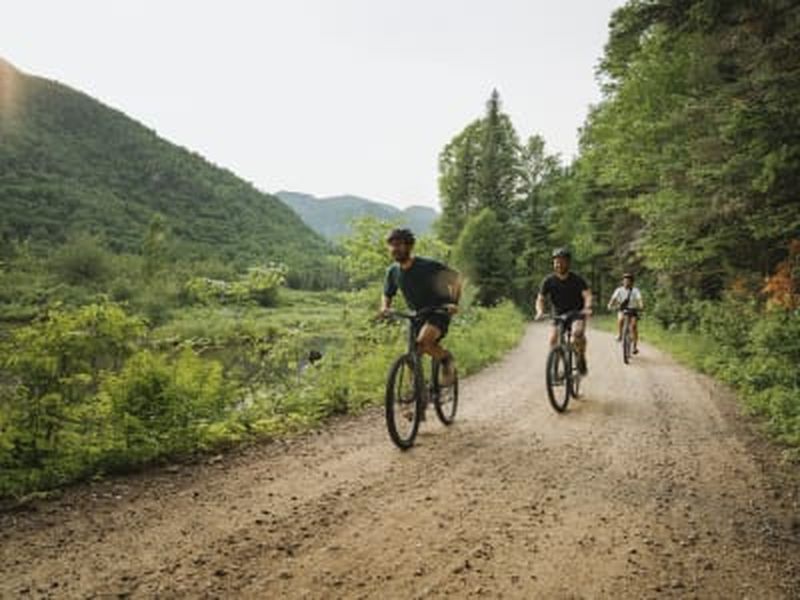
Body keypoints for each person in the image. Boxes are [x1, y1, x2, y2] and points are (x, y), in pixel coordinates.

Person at [380, 228, 461, 391]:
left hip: (438, 311)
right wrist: (384, 307)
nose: (394, 249)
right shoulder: (393, 271)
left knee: (423, 343)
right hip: (416, 315)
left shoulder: (427, 266)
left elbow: (456, 279)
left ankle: (446, 361)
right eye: (391, 245)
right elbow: (387, 293)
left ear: (409, 246)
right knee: (412, 354)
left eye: (399, 244)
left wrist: (454, 303)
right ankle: (416, 395)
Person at [534, 248, 593, 374]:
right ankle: (555, 368)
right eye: (556, 262)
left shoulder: (577, 279)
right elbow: (540, 299)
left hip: (576, 313)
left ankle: (580, 357)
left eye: (562, 262)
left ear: (568, 263)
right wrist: (539, 311)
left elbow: (587, 295)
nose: (559, 265)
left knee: (577, 333)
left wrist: (587, 307)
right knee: (553, 340)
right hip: (558, 314)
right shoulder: (548, 281)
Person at [607, 273, 644, 354]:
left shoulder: (635, 290)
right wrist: (610, 304)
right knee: (620, 320)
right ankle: (620, 334)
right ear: (622, 281)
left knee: (634, 326)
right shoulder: (619, 290)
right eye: (625, 281)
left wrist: (641, 305)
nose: (626, 282)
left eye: (628, 281)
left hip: (633, 310)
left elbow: (639, 299)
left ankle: (634, 347)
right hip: (622, 309)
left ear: (632, 282)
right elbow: (613, 298)